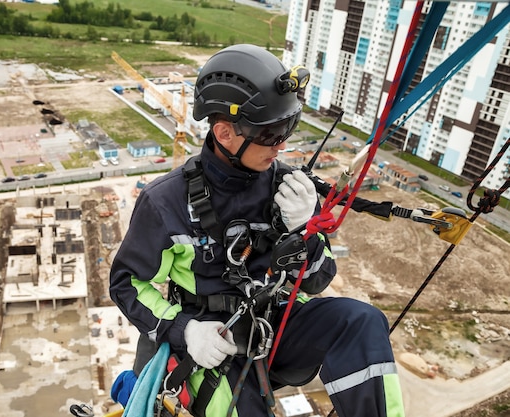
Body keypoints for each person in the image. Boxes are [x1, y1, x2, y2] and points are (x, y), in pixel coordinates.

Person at [109, 44, 405, 417]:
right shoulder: (166, 204)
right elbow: (126, 283)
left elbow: (317, 280)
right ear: (225, 132)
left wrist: (304, 231)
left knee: (362, 323)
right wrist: (184, 330)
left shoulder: (287, 189)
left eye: (288, 128)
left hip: (275, 325)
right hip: (212, 342)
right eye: (271, 134)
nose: (282, 146)